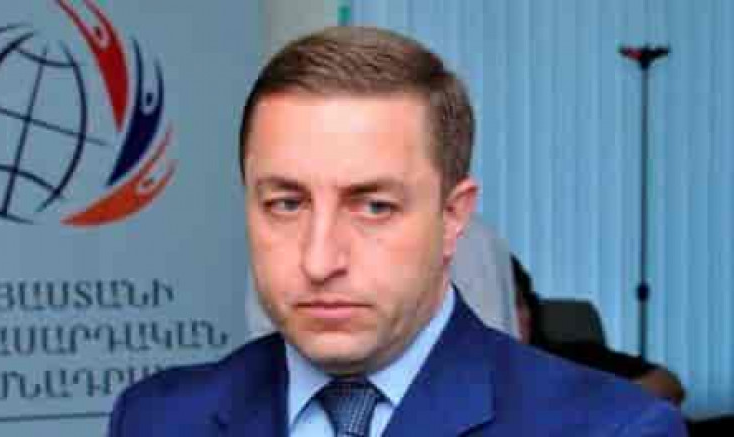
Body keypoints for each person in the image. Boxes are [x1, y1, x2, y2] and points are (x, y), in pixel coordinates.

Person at [107, 26, 686, 436]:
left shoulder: (611, 429)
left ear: (453, 217)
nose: (319, 260)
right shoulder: (156, 419)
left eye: (374, 207)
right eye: (286, 203)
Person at [247, 215, 519, 339]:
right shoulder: (279, 246)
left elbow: (487, 354)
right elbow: (267, 344)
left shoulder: (469, 240)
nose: (319, 266)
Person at [511, 255, 687, 406]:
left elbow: (669, 384)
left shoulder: (573, 357)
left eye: (518, 303)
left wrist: (596, 404)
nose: (516, 315)